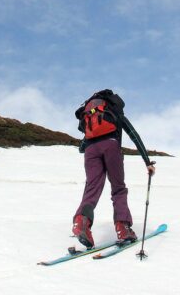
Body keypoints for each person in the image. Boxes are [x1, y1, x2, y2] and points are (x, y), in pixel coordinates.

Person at [71, 89, 155, 248]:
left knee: (92, 188)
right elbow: (134, 135)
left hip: (90, 150)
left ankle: (81, 223)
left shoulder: (91, 116)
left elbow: (83, 145)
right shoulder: (115, 113)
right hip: (111, 146)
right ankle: (123, 229)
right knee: (118, 189)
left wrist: (88, 147)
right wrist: (147, 162)